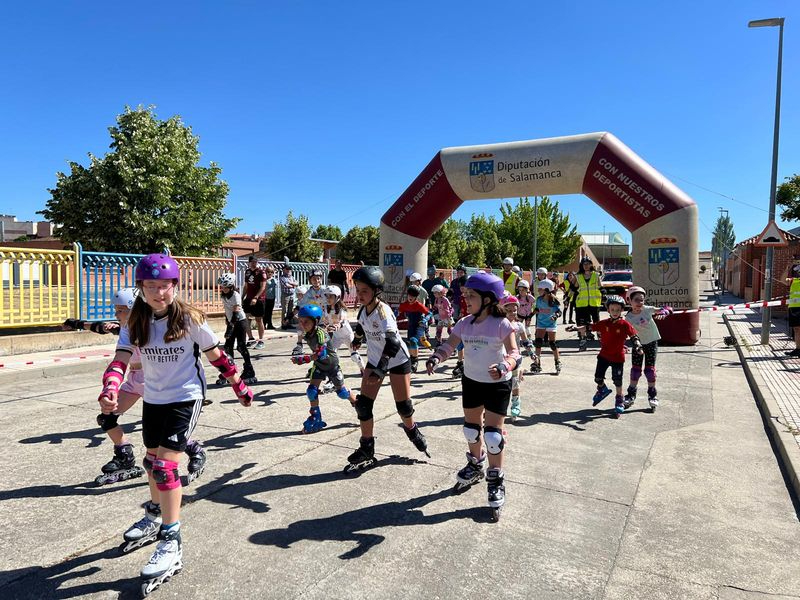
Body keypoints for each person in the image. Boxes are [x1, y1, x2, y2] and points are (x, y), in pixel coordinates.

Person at [100, 254, 252, 594]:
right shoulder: (135, 321)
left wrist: (239, 387)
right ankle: (155, 513)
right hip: (154, 398)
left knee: (167, 469)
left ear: (175, 286)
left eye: (164, 286)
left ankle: (171, 539)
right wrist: (110, 387)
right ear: (140, 288)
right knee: (150, 463)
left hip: (185, 396)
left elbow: (217, 356)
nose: (158, 292)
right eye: (150, 286)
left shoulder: (190, 318)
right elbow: (120, 359)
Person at [63, 288, 208, 486]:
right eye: (115, 309)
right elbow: (98, 327)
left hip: (155, 381)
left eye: (121, 309)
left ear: (134, 308)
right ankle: (124, 454)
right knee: (106, 417)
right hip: (134, 380)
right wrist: (76, 323)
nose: (116, 314)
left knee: (165, 432)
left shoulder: (151, 326)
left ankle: (193, 448)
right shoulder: (124, 327)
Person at [426, 272, 521, 521]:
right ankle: (476, 463)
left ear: (489, 299)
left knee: (492, 435)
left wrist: (505, 365)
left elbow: (515, 352)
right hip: (471, 381)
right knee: (470, 429)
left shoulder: (502, 324)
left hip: (497, 383)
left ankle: (496, 477)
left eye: (471, 295)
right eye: (465, 294)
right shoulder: (464, 323)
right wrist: (437, 357)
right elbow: (450, 345)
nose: (465, 298)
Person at [346, 266, 430, 471]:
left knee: (403, 407)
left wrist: (381, 369)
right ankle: (366, 447)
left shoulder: (383, 311)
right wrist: (357, 339)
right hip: (376, 359)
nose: (360, 294)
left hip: (397, 359)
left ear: (376, 291)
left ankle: (412, 430)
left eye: (364, 290)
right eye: (358, 289)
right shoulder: (363, 309)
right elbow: (362, 326)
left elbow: (392, 342)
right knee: (363, 406)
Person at [292, 304, 356, 433]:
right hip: (320, 366)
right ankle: (316, 418)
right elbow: (307, 350)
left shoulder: (321, 333)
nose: (303, 324)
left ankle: (358, 404)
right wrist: (300, 354)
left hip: (332, 365)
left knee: (342, 393)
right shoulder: (306, 333)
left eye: (306, 322)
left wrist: (304, 359)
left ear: (315, 321)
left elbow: (321, 353)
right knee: (311, 391)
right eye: (301, 321)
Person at [576, 295, 642, 418]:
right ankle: (602, 389)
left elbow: (634, 336)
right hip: (604, 356)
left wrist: (638, 346)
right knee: (598, 378)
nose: (615, 312)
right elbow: (589, 327)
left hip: (618, 357)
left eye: (617, 310)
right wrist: (576, 328)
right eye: (612, 310)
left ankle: (619, 400)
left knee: (617, 381)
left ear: (621, 310)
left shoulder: (624, 324)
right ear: (608, 310)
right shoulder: (604, 323)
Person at [623, 286, 672, 411]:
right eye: (637, 300)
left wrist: (665, 312)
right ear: (629, 301)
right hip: (638, 344)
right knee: (635, 370)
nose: (640, 303)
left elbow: (666, 309)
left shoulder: (647, 310)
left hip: (651, 342)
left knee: (650, 371)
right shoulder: (628, 318)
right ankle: (631, 395)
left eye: (642, 300)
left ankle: (652, 396)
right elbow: (624, 333)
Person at [216, 273, 256, 385]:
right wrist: (227, 320)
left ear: (230, 286)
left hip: (240, 322)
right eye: (222, 287)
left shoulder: (236, 295)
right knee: (228, 347)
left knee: (241, 346)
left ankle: (249, 370)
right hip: (231, 322)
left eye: (225, 287)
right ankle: (230, 369)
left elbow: (236, 313)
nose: (223, 289)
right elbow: (227, 309)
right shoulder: (223, 295)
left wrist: (230, 327)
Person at [499, 294, 532, 422]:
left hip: (515, 359)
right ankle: (497, 408)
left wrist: (532, 353)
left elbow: (526, 341)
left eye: (515, 310)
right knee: (501, 385)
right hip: (500, 358)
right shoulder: (498, 325)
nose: (512, 313)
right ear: (502, 310)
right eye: (508, 310)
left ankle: (515, 405)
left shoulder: (519, 326)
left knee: (515, 384)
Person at [322, 284, 365, 374]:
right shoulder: (326, 308)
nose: (328, 298)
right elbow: (325, 321)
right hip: (337, 337)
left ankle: (363, 369)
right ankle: (333, 372)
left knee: (354, 355)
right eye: (327, 296)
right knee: (331, 354)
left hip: (347, 335)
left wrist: (338, 325)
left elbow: (343, 320)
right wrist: (326, 326)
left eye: (331, 296)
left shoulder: (342, 309)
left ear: (337, 297)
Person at [531, 279, 562, 375]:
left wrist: (555, 316)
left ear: (547, 290)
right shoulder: (539, 299)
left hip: (551, 324)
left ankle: (557, 361)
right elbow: (537, 309)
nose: (538, 291)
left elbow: (559, 312)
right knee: (538, 342)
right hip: (541, 323)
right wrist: (530, 316)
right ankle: (537, 363)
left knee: (552, 343)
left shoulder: (553, 301)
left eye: (540, 289)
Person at [398, 285, 431, 373]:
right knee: (409, 343)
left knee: (413, 341)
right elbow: (398, 312)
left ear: (416, 297)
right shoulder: (404, 304)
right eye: (409, 295)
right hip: (411, 326)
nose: (410, 297)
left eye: (412, 296)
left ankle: (415, 361)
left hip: (419, 326)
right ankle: (411, 360)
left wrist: (425, 319)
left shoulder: (419, 305)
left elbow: (429, 314)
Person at [294, 269, 326, 355]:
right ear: (310, 280)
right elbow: (300, 306)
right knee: (301, 325)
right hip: (313, 319)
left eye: (318, 278)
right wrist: (289, 316)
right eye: (314, 279)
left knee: (323, 340)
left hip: (324, 319)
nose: (316, 281)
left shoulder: (325, 291)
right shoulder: (308, 293)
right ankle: (299, 345)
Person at [574, 257, 602, 351]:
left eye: (587, 264)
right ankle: (583, 342)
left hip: (594, 303)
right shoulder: (578, 276)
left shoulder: (596, 275)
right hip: (582, 303)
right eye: (584, 264)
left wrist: (604, 294)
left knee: (597, 322)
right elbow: (573, 288)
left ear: (591, 264)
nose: (586, 266)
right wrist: (567, 298)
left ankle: (602, 342)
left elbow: (601, 287)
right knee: (583, 323)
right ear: (581, 266)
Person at [243, 255, 266, 349]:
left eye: (255, 261)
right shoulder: (247, 272)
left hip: (259, 299)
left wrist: (256, 297)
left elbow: (263, 287)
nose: (254, 263)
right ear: (249, 262)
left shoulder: (261, 272)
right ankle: (251, 338)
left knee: (258, 320)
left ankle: (261, 340)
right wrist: (242, 297)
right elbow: (246, 286)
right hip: (248, 298)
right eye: (252, 261)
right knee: (246, 318)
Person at [785, 260, 800, 357]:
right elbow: (782, 280)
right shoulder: (794, 280)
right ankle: (798, 349)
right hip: (794, 308)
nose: (798, 273)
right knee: (796, 329)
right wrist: (787, 268)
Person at [279, 263, 298, 329]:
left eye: (290, 269)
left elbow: (297, 283)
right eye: (287, 269)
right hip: (285, 295)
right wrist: (293, 285)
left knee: (290, 311)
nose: (289, 270)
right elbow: (286, 285)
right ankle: (283, 324)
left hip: (292, 295)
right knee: (285, 310)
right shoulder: (282, 277)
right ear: (284, 270)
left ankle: (288, 323)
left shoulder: (291, 277)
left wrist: (291, 284)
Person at [263, 264, 278, 330]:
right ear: (266, 272)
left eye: (272, 272)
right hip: (265, 297)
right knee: (265, 312)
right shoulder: (264, 279)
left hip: (272, 297)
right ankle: (263, 324)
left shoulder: (274, 280)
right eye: (268, 271)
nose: (270, 273)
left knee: (270, 312)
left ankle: (270, 324)